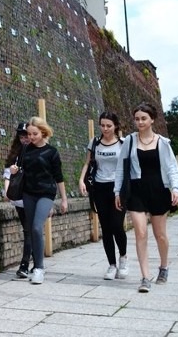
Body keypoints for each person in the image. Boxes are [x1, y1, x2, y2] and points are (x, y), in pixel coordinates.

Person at [114, 102, 178, 293]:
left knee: (160, 235)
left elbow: (172, 169)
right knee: (140, 233)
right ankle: (145, 277)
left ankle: (164, 266)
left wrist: (175, 189)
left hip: (159, 189)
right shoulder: (129, 141)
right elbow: (121, 168)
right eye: (137, 119)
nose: (140, 122)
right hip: (136, 191)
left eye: (144, 118)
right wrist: (117, 192)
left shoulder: (163, 143)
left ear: (152, 120)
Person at [9, 116, 68, 285]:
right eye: (29, 134)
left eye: (34, 134)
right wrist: (14, 169)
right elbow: (19, 168)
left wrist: (64, 199)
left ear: (43, 132)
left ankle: (39, 268)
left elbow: (59, 177)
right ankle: (35, 267)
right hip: (28, 193)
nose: (31, 137)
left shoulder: (52, 152)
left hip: (46, 193)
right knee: (31, 228)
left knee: (36, 227)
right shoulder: (25, 149)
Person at [78, 111, 129, 281]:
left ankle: (123, 257)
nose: (105, 129)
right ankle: (111, 265)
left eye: (109, 125)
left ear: (115, 126)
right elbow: (88, 163)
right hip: (99, 187)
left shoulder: (123, 143)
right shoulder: (94, 143)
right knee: (105, 228)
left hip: (118, 188)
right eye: (103, 125)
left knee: (117, 225)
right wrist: (81, 180)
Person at [3, 122, 33, 278]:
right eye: (22, 136)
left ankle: (24, 264)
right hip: (19, 197)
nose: (25, 139)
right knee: (28, 229)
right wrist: (7, 191)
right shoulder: (15, 154)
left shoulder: (38, 151)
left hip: (33, 196)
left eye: (27, 135)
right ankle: (34, 257)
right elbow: (8, 174)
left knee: (29, 230)